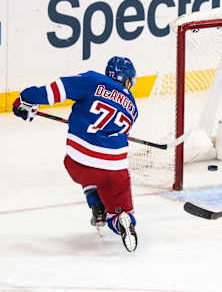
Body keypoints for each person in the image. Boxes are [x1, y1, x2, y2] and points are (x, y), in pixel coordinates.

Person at [12, 56, 139, 252]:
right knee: (119, 204)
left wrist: (26, 99)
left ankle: (96, 205)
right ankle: (121, 219)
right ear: (128, 80)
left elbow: (56, 90)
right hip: (115, 168)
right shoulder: (133, 107)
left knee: (85, 169)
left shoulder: (93, 80)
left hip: (79, 161)